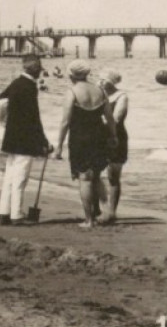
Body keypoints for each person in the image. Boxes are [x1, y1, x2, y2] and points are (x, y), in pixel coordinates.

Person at [52, 60, 118, 229]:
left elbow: (65, 122)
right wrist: (113, 136)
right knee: (95, 176)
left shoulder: (72, 92)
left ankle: (89, 220)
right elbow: (110, 119)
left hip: (80, 138)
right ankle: (99, 212)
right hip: (98, 137)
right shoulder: (100, 91)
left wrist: (59, 146)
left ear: (71, 75)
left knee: (84, 179)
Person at [0, 55, 51, 225]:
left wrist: (4, 122)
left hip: (11, 136)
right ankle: (16, 214)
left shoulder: (16, 82)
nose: (41, 70)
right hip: (25, 138)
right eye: (39, 67)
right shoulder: (30, 87)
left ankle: (4, 212)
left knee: (10, 175)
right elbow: (34, 117)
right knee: (21, 177)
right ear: (35, 68)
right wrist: (44, 141)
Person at [98, 70, 129, 225]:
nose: (101, 83)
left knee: (113, 176)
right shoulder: (98, 94)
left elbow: (116, 118)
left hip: (116, 137)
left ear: (112, 82)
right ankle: (101, 207)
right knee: (93, 172)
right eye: (100, 80)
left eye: (104, 80)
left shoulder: (121, 96)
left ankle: (112, 211)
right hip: (98, 136)